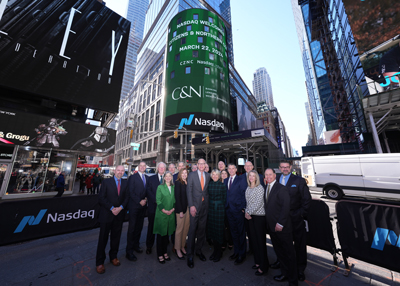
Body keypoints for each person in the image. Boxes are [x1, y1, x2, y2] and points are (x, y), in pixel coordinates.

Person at [273, 160, 311, 281]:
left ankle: (300, 270)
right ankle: (283, 265)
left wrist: (300, 214)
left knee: (299, 245)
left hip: (295, 219)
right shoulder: (276, 179)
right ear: (279, 168)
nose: (285, 169)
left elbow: (306, 200)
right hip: (280, 219)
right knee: (283, 244)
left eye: (287, 167)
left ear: (290, 167)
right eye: (282, 167)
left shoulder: (299, 180)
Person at [264, 168, 297, 286]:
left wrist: (280, 223)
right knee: (280, 252)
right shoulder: (266, 187)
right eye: (266, 175)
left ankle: (293, 280)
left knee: (289, 254)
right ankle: (284, 273)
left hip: (282, 228)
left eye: (270, 174)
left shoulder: (281, 188)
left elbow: (286, 207)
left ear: (275, 175)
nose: (268, 176)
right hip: (272, 228)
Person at [95, 165, 129, 274]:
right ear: (115, 171)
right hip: (107, 214)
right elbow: (101, 198)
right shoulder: (106, 182)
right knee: (103, 239)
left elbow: (127, 198)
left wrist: (120, 208)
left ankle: (113, 256)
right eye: (118, 170)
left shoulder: (125, 182)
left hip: (119, 215)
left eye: (122, 170)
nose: (120, 172)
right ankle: (100, 262)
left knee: (116, 237)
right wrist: (111, 208)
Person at [186, 158, 210, 268]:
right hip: (194, 208)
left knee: (202, 230)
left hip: (204, 207)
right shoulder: (191, 175)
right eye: (199, 164)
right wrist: (191, 206)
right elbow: (189, 191)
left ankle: (199, 251)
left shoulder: (208, 175)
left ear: (205, 165)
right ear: (197, 164)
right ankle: (190, 255)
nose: (201, 165)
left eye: (203, 164)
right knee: (192, 231)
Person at [245, 170, 268, 276]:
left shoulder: (260, 188)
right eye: (250, 176)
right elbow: (248, 203)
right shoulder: (248, 188)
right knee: (254, 241)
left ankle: (264, 266)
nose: (251, 177)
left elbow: (259, 203)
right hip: (250, 217)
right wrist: (246, 212)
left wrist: (248, 212)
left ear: (256, 178)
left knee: (260, 242)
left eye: (253, 176)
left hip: (259, 217)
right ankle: (258, 262)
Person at [224, 164, 247, 265]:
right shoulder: (225, 180)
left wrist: (242, 208)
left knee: (241, 232)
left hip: (238, 210)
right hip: (229, 210)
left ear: (236, 170)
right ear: (228, 170)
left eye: (233, 168)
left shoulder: (241, 179)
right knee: (233, 232)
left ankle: (242, 254)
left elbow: (244, 194)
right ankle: (236, 252)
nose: (231, 170)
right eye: (229, 168)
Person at [126, 161, 148, 261]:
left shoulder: (147, 178)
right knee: (132, 229)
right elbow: (130, 192)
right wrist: (139, 201)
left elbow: (148, 191)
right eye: (141, 166)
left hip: (143, 208)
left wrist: (146, 200)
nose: (142, 167)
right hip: (134, 206)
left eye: (144, 166)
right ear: (138, 167)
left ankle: (136, 245)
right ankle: (129, 251)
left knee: (139, 227)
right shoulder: (132, 177)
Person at [153, 172, 175, 264]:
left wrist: (173, 209)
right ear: (164, 178)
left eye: (170, 176)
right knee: (161, 235)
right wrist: (165, 211)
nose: (168, 178)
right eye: (166, 176)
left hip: (171, 214)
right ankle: (160, 254)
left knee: (167, 235)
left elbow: (176, 200)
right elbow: (158, 200)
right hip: (162, 214)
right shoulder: (160, 187)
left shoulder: (174, 187)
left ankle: (165, 252)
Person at [145, 162, 166, 254]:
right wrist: (157, 201)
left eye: (163, 168)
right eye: (160, 167)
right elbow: (148, 191)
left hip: (164, 208)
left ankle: (162, 246)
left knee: (163, 227)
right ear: (157, 168)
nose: (161, 169)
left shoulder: (168, 178)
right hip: (153, 207)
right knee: (151, 227)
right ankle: (149, 246)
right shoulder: (151, 178)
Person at [207, 170, 227, 262]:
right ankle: (215, 251)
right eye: (213, 175)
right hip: (211, 209)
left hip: (219, 210)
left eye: (216, 175)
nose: (215, 176)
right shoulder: (209, 185)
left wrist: (219, 206)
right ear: (211, 176)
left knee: (219, 231)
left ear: (219, 176)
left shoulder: (222, 185)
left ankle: (219, 252)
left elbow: (224, 198)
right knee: (213, 231)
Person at [174, 169, 190, 259]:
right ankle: (177, 249)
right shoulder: (178, 183)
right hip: (181, 210)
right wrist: (180, 211)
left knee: (186, 228)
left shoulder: (187, 182)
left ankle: (182, 246)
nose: (184, 174)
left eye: (185, 173)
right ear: (180, 174)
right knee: (179, 230)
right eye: (182, 173)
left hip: (187, 208)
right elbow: (177, 197)